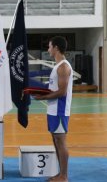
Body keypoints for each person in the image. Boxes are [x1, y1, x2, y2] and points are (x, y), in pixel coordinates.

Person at [34, 36, 73, 182]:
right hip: (53, 110)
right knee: (56, 141)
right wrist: (41, 92)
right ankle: (60, 173)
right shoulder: (57, 66)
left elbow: (62, 92)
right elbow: (54, 88)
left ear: (56, 48)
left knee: (61, 142)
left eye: (49, 46)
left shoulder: (63, 66)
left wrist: (42, 98)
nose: (48, 49)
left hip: (60, 110)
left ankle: (64, 176)